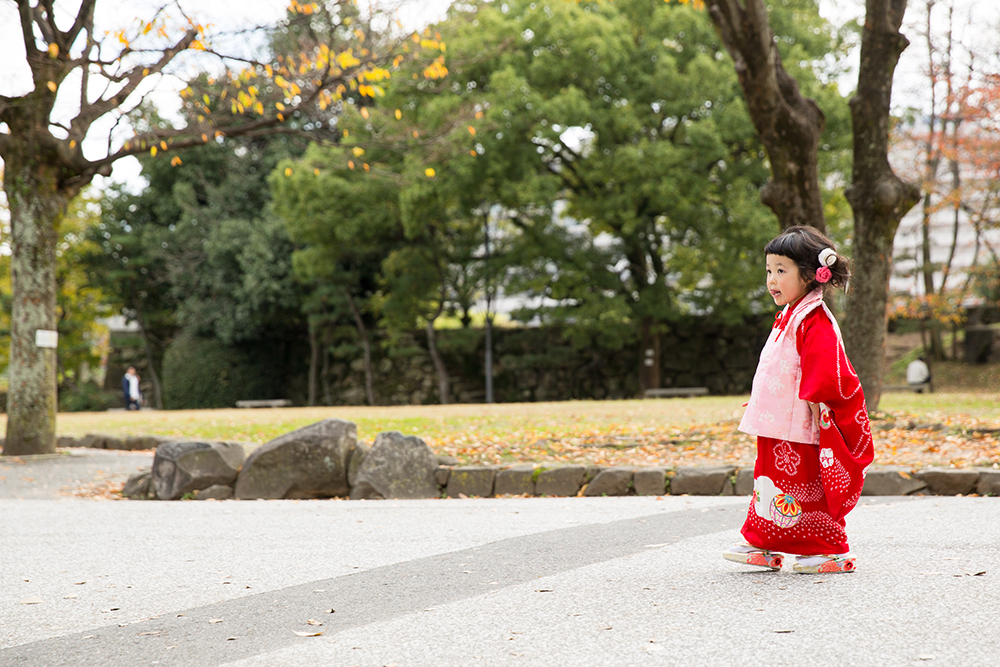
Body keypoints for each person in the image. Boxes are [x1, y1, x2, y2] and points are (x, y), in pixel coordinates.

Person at [724, 226, 874, 574]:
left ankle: (830, 549)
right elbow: (778, 370)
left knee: (804, 483)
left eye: (781, 271)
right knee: (770, 480)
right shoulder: (792, 314)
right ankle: (764, 541)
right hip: (781, 420)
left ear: (809, 275)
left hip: (802, 420)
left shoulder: (814, 319)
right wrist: (764, 401)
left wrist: (816, 398)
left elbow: (822, 365)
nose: (772, 280)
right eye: (769, 271)